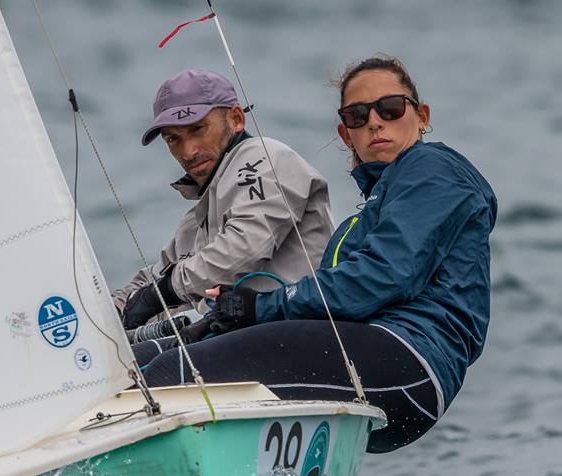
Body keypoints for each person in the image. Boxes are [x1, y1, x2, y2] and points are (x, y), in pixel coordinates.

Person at [138, 55, 498, 454]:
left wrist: (259, 307)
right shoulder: (374, 207)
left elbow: (380, 278)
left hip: (408, 357)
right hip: (385, 363)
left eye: (390, 108)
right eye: (357, 115)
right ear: (346, 134)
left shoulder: (433, 169)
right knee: (140, 365)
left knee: (171, 374)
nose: (374, 122)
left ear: (422, 116)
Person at [113, 69, 334, 330]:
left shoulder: (263, 157)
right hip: (252, 339)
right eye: (173, 139)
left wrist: (163, 292)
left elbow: (244, 247)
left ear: (236, 118)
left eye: (198, 129)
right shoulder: (197, 220)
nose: (188, 152)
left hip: (303, 333)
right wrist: (107, 310)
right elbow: (152, 280)